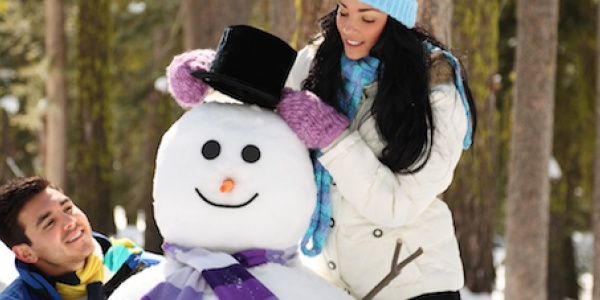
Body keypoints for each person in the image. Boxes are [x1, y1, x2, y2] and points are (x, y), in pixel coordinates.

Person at [277, 0, 477, 299]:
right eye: (343, 11)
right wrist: (215, 81)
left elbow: (398, 204)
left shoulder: (435, 91)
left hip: (412, 285)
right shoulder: (320, 62)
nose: (349, 27)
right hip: (334, 285)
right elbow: (265, 103)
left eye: (367, 18)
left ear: (396, 23)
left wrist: (334, 138)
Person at [0, 176, 163, 300]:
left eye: (68, 208)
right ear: (26, 253)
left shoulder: (158, 275)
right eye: (49, 223)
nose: (70, 221)